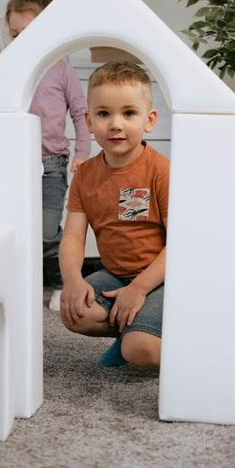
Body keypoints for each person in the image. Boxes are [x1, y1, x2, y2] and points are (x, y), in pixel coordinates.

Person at [58, 61, 169, 368]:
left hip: (162, 279)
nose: (116, 124)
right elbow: (72, 238)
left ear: (149, 120)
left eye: (129, 113)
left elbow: (181, 245)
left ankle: (149, 333)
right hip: (116, 274)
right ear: (89, 121)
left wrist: (139, 289)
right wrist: (73, 281)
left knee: (140, 351)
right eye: (104, 113)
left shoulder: (160, 170)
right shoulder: (84, 175)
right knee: (75, 313)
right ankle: (133, 326)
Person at [5, 0, 91, 312]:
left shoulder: (61, 71)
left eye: (27, 34)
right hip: (14, 161)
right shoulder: (8, 69)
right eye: (13, 35)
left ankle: (60, 282)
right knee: (13, 227)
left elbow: (81, 114)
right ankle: (17, 284)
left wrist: (82, 152)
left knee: (44, 230)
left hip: (51, 162)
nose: (19, 42)